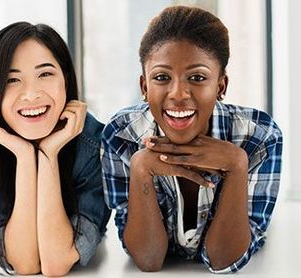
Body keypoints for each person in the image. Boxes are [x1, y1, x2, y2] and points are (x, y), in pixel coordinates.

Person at [101, 6, 282, 274]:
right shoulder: (121, 134)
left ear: (221, 86)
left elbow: (224, 261)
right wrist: (141, 168)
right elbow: (148, 260)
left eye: (197, 78)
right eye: (162, 78)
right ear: (144, 86)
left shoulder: (260, 136)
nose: (178, 94)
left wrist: (237, 164)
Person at [0, 22, 110, 276]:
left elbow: (56, 263)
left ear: (66, 80)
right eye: (12, 79)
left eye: (45, 74)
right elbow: (23, 265)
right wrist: (25, 156)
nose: (31, 94)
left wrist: (49, 152)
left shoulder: (93, 144)